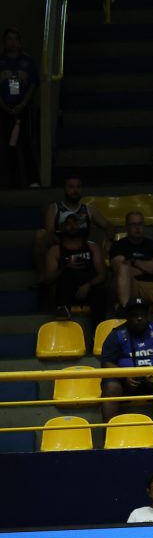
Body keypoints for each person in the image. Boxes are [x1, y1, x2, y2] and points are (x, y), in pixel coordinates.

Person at [100, 297, 153, 423]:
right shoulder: (117, 334)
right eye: (134, 315)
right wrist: (124, 376)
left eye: (143, 314)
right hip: (125, 382)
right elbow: (106, 362)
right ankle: (109, 432)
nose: (139, 318)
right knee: (111, 387)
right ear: (127, 316)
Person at [34, 176, 111, 287]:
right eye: (71, 187)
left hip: (83, 248)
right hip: (61, 247)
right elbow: (50, 232)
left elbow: (108, 226)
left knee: (97, 249)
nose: (75, 190)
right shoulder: (55, 208)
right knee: (40, 234)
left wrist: (109, 241)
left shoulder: (88, 209)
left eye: (78, 187)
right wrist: (66, 244)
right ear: (65, 189)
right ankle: (43, 278)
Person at [110, 212, 153, 318]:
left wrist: (134, 262)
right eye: (133, 224)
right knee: (124, 270)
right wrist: (149, 267)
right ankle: (124, 313)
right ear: (127, 227)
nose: (137, 228)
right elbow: (119, 270)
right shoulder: (118, 245)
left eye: (140, 224)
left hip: (150, 286)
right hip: (129, 285)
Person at [45, 210, 105, 328]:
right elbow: (48, 279)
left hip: (89, 289)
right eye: (68, 223)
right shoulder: (55, 250)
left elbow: (102, 275)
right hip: (67, 291)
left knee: (99, 290)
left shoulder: (92, 247)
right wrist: (64, 268)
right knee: (67, 274)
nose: (72, 226)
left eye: (75, 223)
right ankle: (63, 314)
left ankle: (98, 332)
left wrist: (88, 285)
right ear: (61, 227)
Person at [0, 29, 38, 186]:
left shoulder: (28, 61)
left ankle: (32, 180)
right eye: (9, 39)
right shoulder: (1, 62)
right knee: (8, 145)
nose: (13, 42)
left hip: (24, 108)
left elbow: (33, 85)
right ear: (4, 42)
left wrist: (22, 104)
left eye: (16, 39)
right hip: (4, 108)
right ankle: (12, 182)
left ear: (20, 42)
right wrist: (4, 106)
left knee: (27, 143)